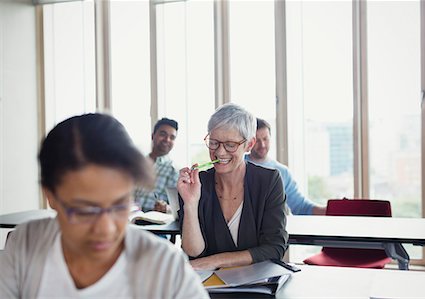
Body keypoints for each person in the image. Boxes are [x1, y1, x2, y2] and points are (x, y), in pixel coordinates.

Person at [0, 113, 208, 298]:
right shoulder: (27, 246)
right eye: (84, 211)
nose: (105, 229)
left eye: (119, 205)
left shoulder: (165, 267)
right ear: (50, 195)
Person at [177, 103, 288, 271]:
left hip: (256, 288)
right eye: (214, 143)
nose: (220, 152)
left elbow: (274, 248)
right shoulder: (197, 184)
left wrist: (216, 261)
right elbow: (194, 253)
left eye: (230, 145)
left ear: (249, 145)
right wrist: (191, 204)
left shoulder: (268, 181)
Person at [245, 118, 326, 215]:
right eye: (257, 140)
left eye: (265, 139)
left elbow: (300, 207)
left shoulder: (282, 172)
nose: (262, 145)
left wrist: (331, 210)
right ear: (250, 142)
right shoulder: (238, 166)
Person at [134, 117, 179, 213]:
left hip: (155, 225)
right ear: (153, 136)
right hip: (129, 221)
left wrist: (166, 208)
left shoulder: (174, 172)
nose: (167, 139)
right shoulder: (136, 164)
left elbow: (178, 209)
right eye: (163, 134)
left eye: (172, 137)